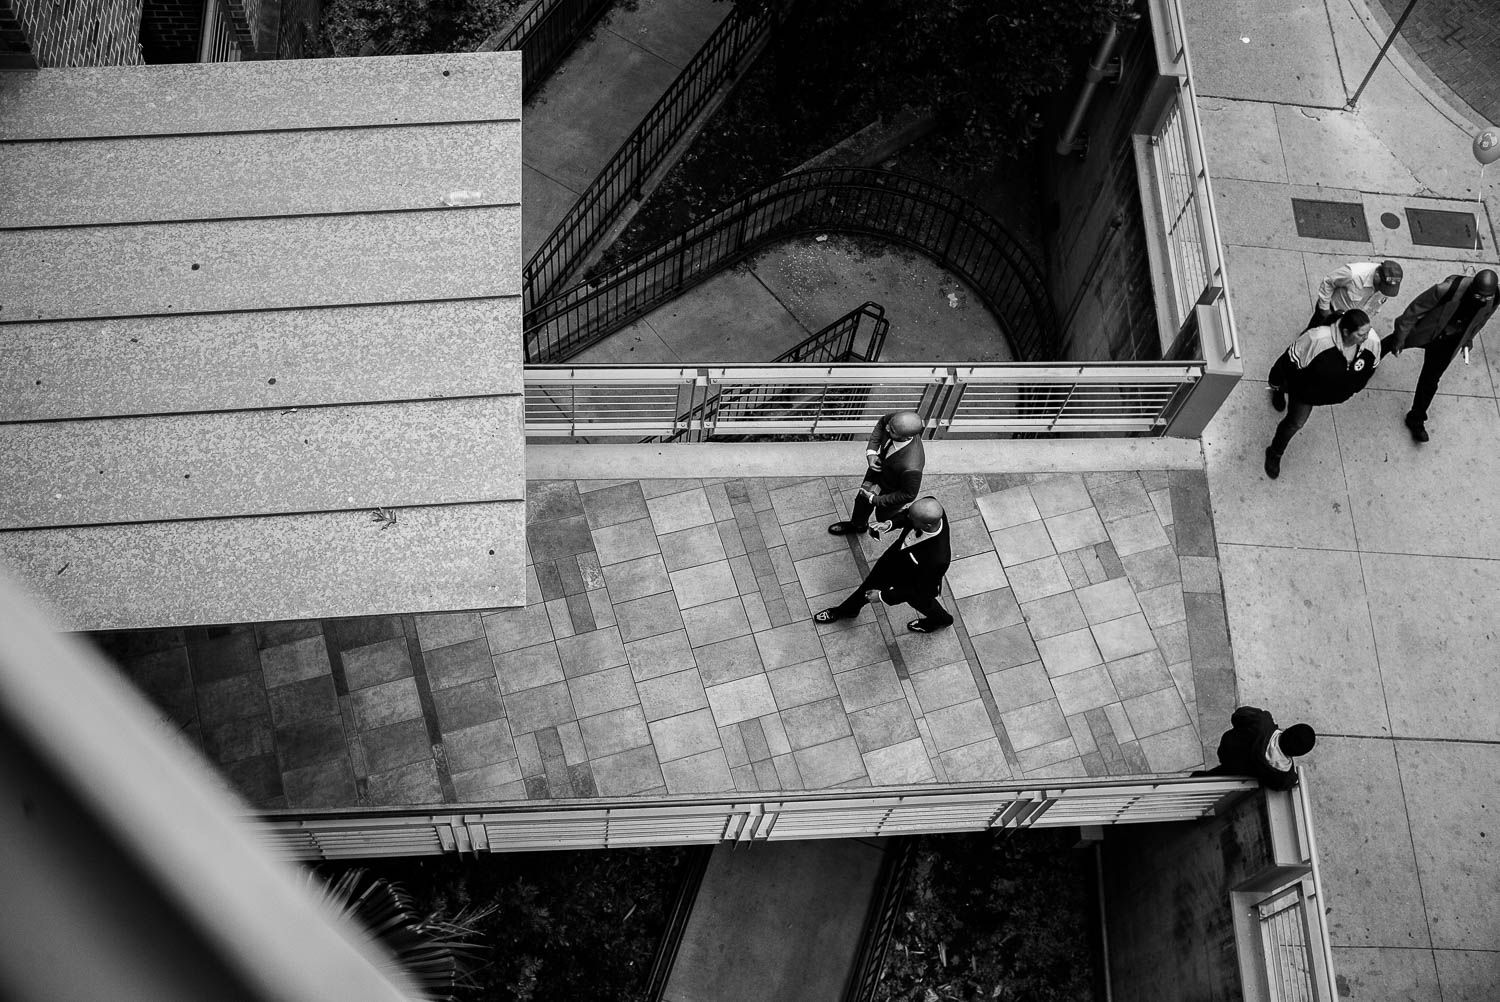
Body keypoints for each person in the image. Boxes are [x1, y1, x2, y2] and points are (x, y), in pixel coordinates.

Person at [1380, 269, 1498, 442]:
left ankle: (1416, 419)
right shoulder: (1448, 289)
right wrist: (1400, 336)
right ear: (1472, 288)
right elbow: (1414, 310)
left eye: (1486, 298)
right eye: (1479, 296)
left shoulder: (1495, 298)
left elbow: (1481, 320)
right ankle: (1368, 362)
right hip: (1427, 331)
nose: (1482, 301)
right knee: (1390, 343)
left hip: (1449, 343)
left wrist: (1468, 339)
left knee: (1429, 382)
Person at [1264, 309, 1381, 480]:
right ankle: (1275, 452)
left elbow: (1372, 367)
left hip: (1329, 393)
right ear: (1346, 332)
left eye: (1368, 332)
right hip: (1305, 393)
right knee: (1295, 423)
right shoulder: (1317, 339)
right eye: (1361, 334)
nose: (1366, 337)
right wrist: (1275, 381)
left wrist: (1355, 387)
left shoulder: (1372, 342)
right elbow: (1288, 362)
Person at [814, 497, 953, 633]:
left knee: (922, 602)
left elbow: (918, 589)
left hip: (915, 579)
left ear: (927, 525)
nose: (908, 516)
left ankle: (942, 620)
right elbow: (906, 515)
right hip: (892, 561)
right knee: (868, 586)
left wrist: (882, 596)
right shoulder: (929, 507)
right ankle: (848, 610)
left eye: (912, 518)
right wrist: (890, 523)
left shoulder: (938, 558)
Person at [828, 410, 925, 537]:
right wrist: (871, 452)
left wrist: (875, 499)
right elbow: (881, 423)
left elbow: (909, 494)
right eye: (890, 425)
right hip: (876, 476)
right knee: (861, 501)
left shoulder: (912, 466)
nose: (887, 428)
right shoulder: (896, 421)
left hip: (889, 490)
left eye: (892, 431)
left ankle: (917, 524)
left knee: (884, 516)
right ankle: (858, 525)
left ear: (907, 437)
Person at [1195, 706, 1316, 790]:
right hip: (1238, 776)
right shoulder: (1284, 778)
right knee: (1221, 776)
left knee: (1213, 775)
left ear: (1287, 729)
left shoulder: (1261, 721)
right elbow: (1287, 784)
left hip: (1228, 752)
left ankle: (1195, 782)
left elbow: (1238, 715)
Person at [1310, 259, 1402, 328]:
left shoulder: (1387, 286)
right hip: (1332, 311)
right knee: (1313, 334)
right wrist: (1324, 310)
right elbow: (1328, 282)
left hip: (1351, 322)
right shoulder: (1353, 274)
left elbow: (1374, 307)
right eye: (1382, 287)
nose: (1382, 291)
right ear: (1377, 275)